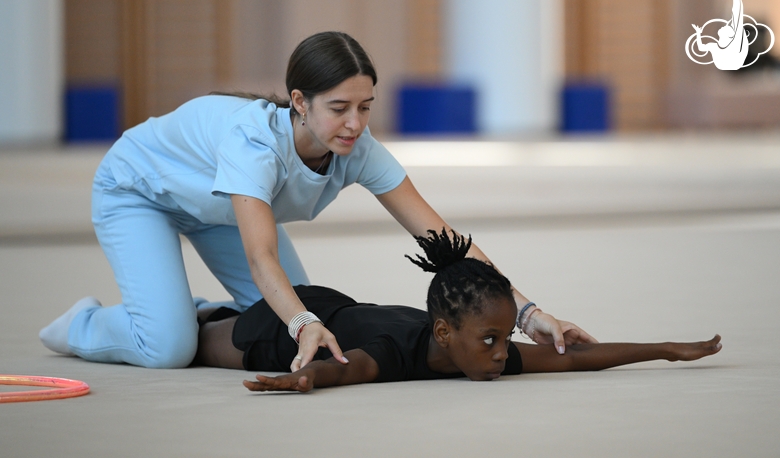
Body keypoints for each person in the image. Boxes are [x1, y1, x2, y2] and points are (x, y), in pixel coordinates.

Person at [39, 31, 594, 370]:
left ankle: (190, 308)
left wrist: (528, 312)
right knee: (168, 349)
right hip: (140, 192)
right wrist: (303, 324)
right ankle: (84, 324)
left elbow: (443, 240)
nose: (355, 124)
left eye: (366, 106)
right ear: (300, 102)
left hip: (220, 212)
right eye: (339, 108)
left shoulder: (359, 148)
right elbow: (262, 259)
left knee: (293, 307)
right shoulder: (255, 143)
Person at [194, 229, 722, 392]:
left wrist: (665, 350)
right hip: (282, 330)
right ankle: (197, 313)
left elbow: (574, 359)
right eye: (490, 341)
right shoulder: (395, 352)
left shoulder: (478, 349)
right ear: (444, 332)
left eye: (501, 338)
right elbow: (349, 366)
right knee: (187, 343)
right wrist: (307, 378)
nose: (501, 353)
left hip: (337, 308)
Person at [692, 0, 748, 70]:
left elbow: (737, 16)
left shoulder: (732, 46)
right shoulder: (716, 46)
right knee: (737, 18)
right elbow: (701, 48)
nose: (724, 26)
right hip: (729, 65)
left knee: (737, 18)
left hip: (733, 64)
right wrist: (698, 33)